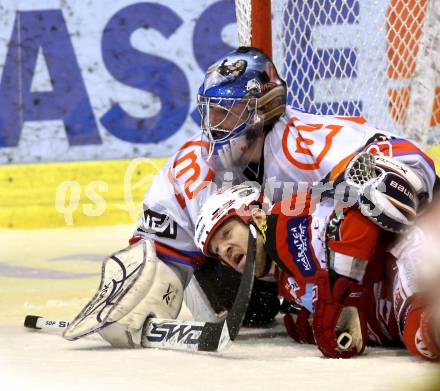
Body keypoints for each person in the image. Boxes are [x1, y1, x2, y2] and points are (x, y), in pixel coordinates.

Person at [96, 47, 437, 348]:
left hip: (365, 263)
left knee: (393, 228)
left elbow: (412, 167)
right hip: (280, 290)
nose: (215, 123)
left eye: (226, 110)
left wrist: (381, 188)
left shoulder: (305, 143)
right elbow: (154, 251)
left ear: (263, 106)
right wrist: (136, 291)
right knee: (211, 282)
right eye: (211, 111)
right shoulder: (195, 165)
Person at [193, 180, 440, 360]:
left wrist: (342, 289)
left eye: (227, 234)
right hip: (391, 305)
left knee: (424, 330)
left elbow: (360, 211)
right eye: (217, 252)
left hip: (409, 256)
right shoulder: (287, 284)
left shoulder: (289, 221)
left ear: (256, 217)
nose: (225, 250)